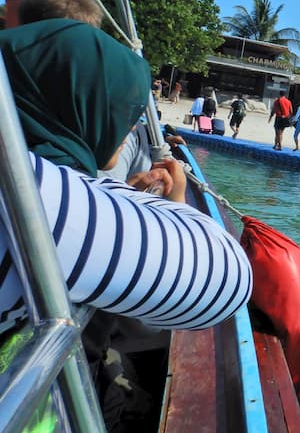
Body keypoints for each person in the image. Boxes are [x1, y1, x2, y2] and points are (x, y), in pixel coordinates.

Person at [0, 18, 252, 329]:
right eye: (123, 110)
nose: (133, 127)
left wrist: (113, 193)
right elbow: (228, 280)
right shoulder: (24, 198)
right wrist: (171, 204)